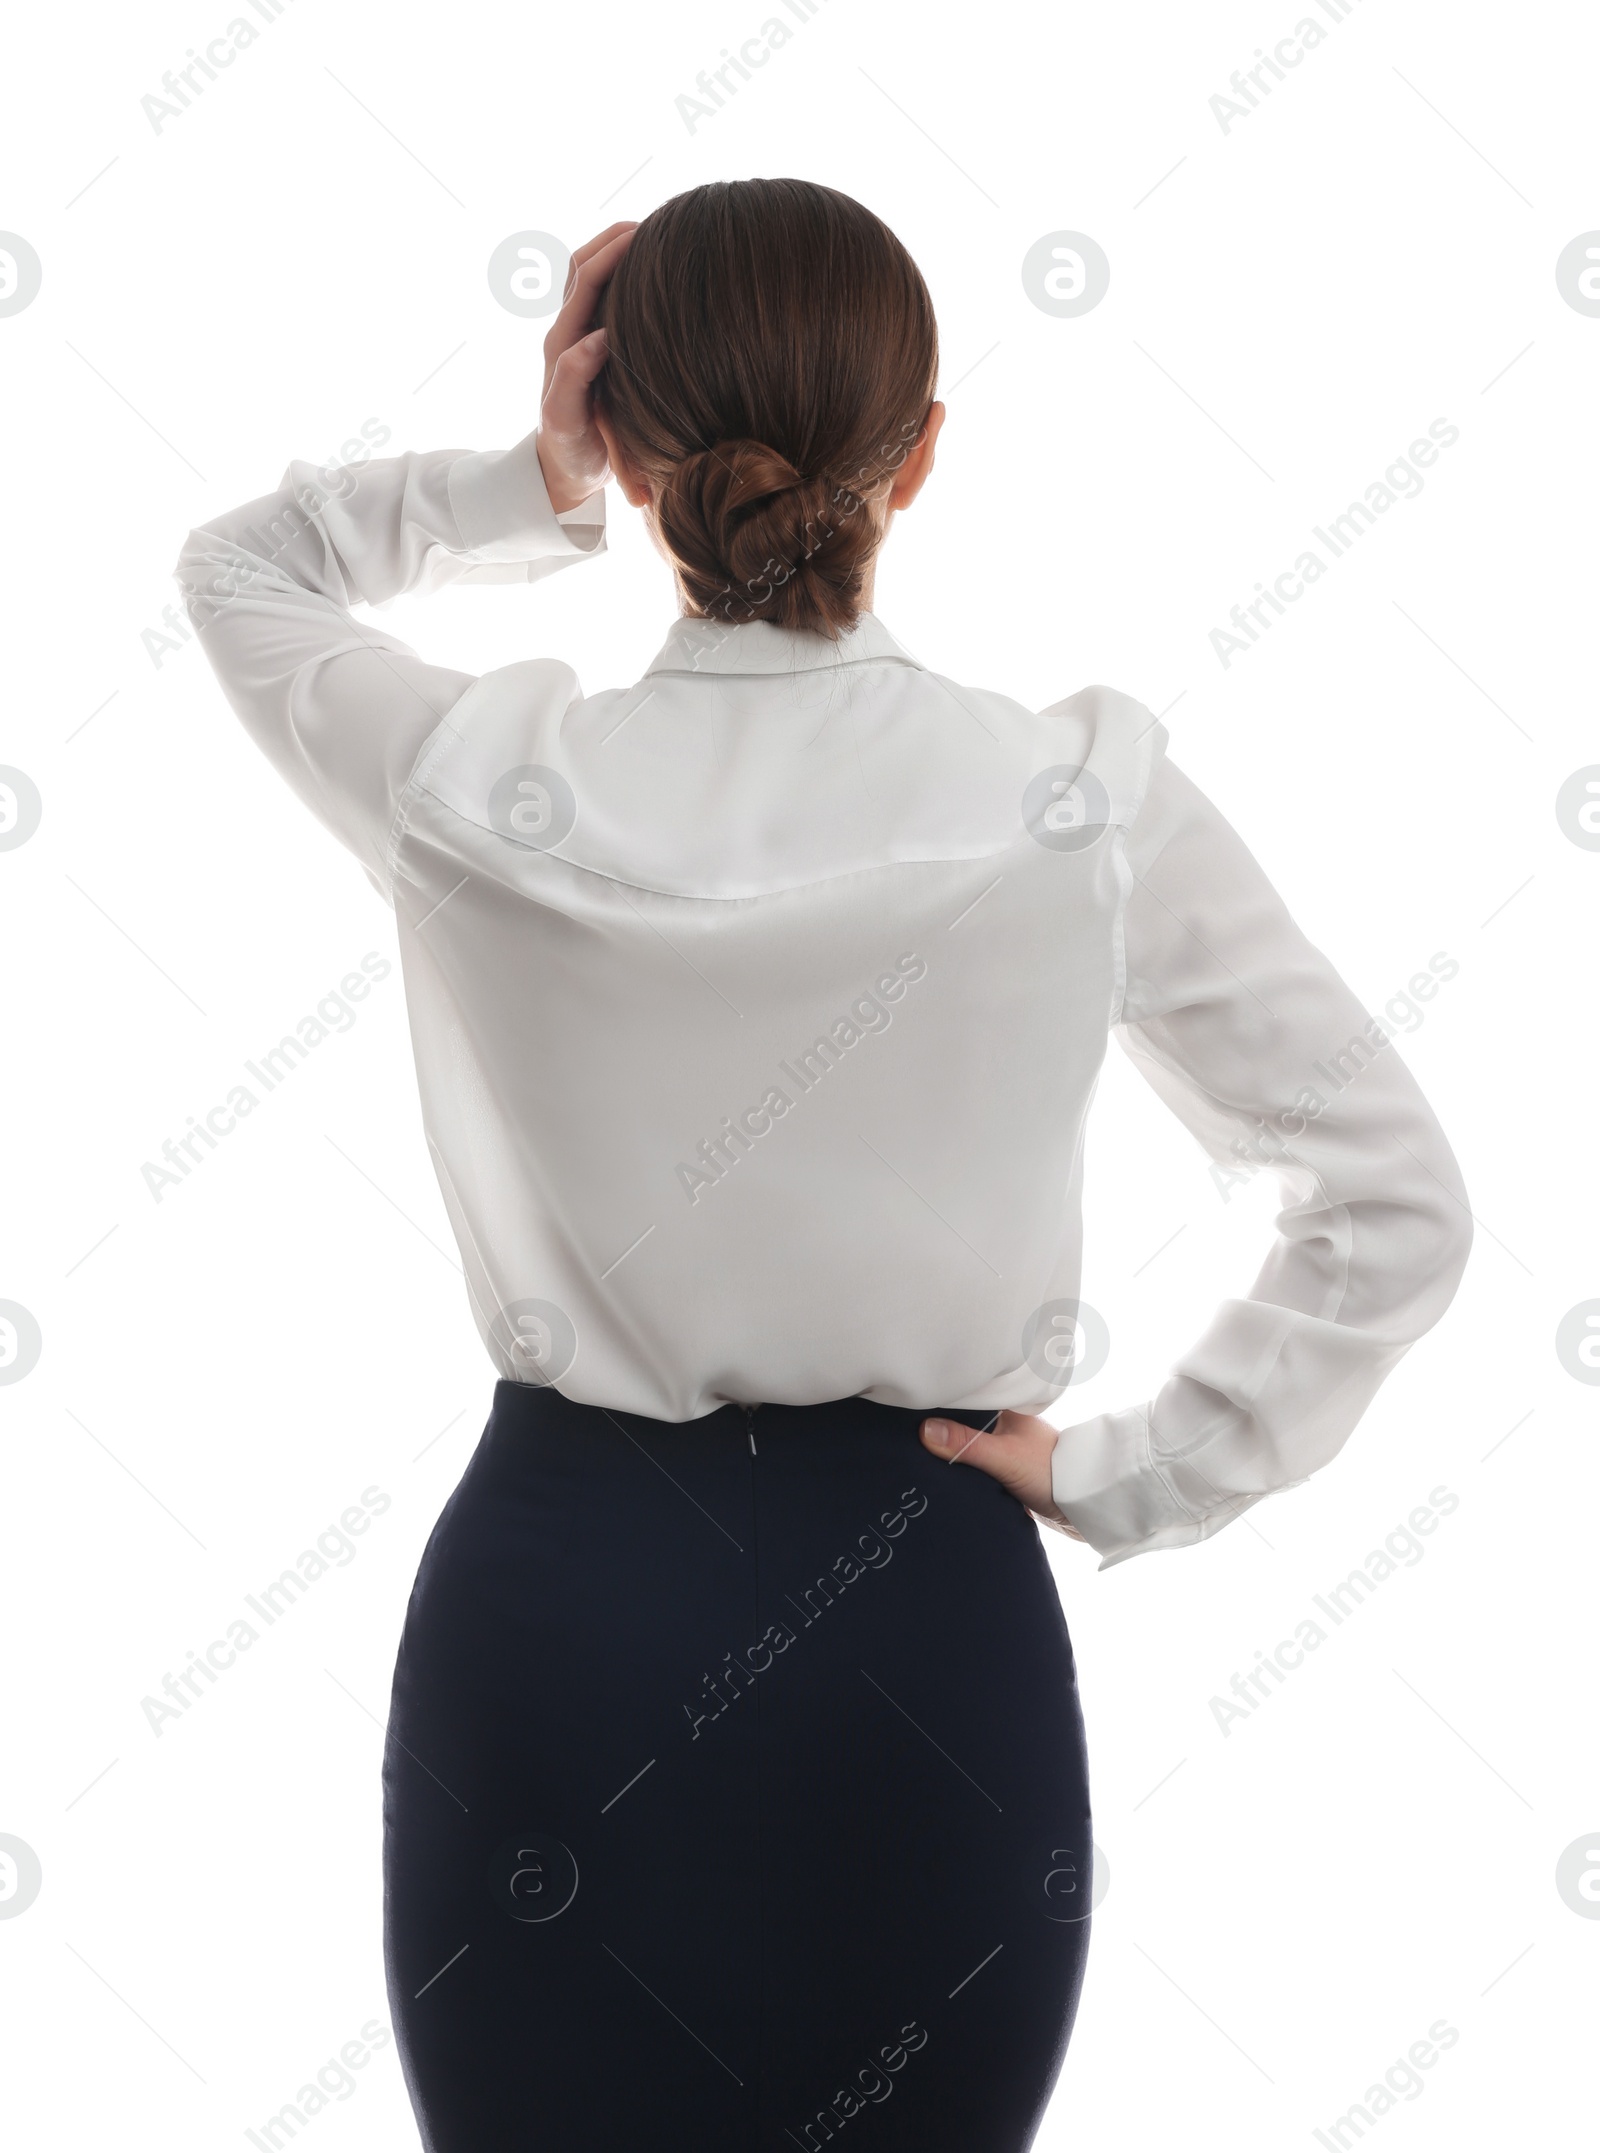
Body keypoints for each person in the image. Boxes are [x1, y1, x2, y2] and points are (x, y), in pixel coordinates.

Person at [174, 177, 1471, 2152]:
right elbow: (1393, 1202)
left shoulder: (475, 781)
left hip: (561, 1623)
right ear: (920, 454)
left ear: (621, 428)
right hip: (920, 1637)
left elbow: (242, 570)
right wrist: (1140, 1471)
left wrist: (526, 483)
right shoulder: (1076, 802)